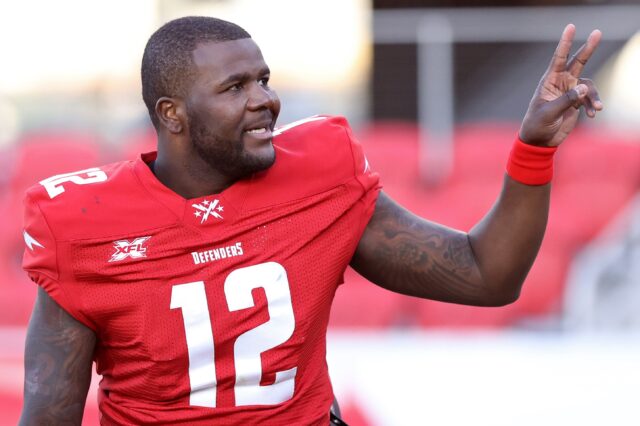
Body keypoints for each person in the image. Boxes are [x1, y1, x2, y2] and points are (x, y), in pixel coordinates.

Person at [19, 16, 602, 426]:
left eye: (264, 79)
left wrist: (533, 149)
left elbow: (486, 275)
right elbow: (49, 415)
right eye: (235, 87)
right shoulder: (87, 223)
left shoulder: (319, 176)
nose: (265, 99)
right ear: (171, 114)